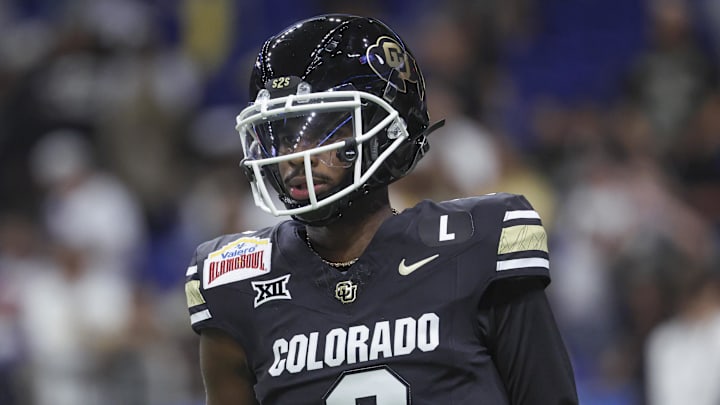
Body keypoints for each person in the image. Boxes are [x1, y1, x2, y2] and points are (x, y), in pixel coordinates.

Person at [184, 14, 578, 405]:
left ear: (389, 128)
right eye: (283, 135)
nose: (294, 155)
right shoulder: (235, 282)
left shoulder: (476, 246)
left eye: (323, 128)